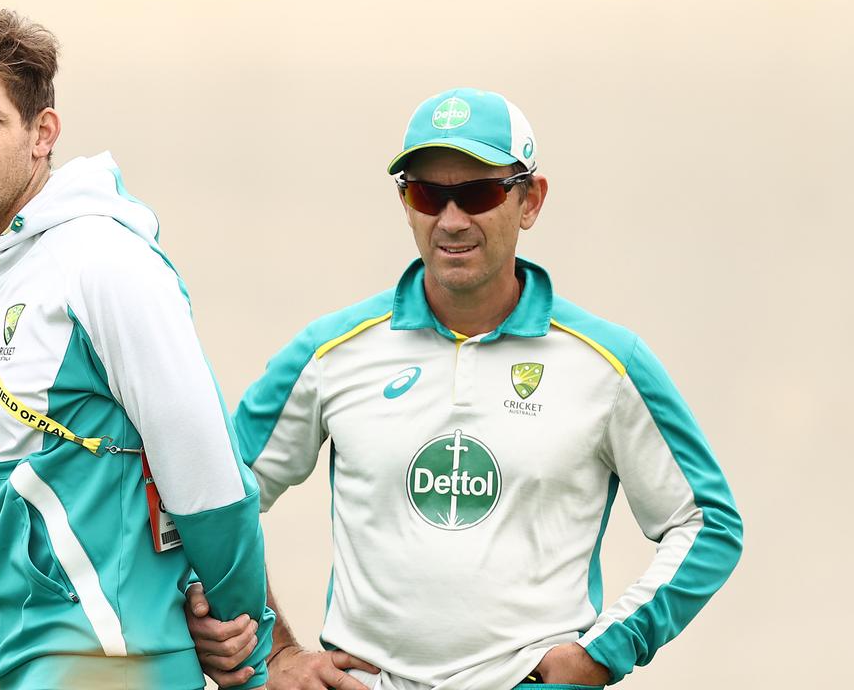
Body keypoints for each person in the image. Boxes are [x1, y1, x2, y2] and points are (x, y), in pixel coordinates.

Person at [186, 88, 743, 689]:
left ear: (530, 201)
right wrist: (274, 652)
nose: (451, 220)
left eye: (478, 193)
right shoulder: (329, 352)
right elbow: (216, 497)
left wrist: (606, 650)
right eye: (428, 193)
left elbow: (707, 522)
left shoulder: (608, 363)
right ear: (406, 203)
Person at [0, 4, 272, 690]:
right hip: (47, 667)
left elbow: (206, 470)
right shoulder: (4, 277)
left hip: (112, 666)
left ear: (43, 132)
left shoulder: (100, 260)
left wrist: (251, 646)